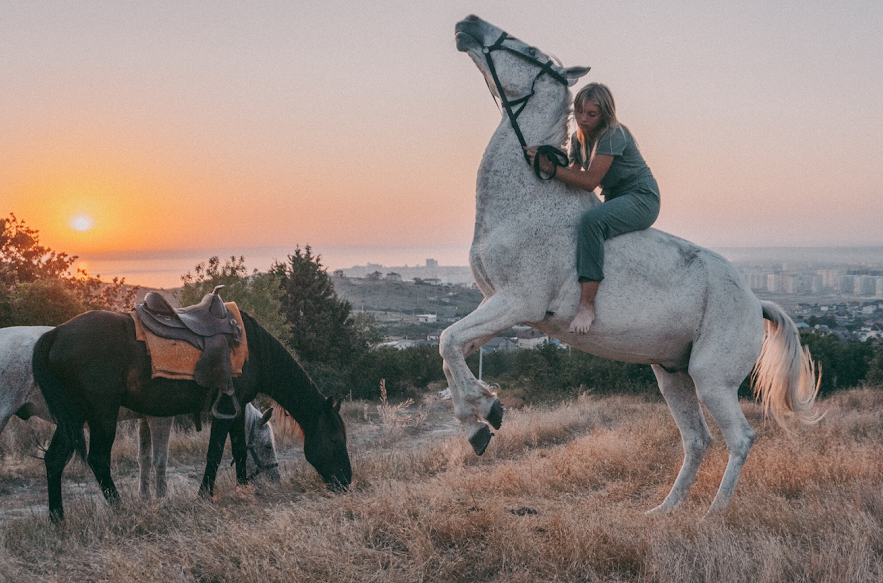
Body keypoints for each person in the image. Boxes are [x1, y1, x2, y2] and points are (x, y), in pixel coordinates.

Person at [525, 83, 660, 334]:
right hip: (614, 198)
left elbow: (588, 182)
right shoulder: (578, 139)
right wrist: (547, 160)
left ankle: (586, 306)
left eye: (591, 114)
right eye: (579, 112)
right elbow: (572, 176)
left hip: (642, 197)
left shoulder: (614, 133)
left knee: (591, 222)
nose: (583, 119)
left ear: (605, 114)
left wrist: (549, 168)